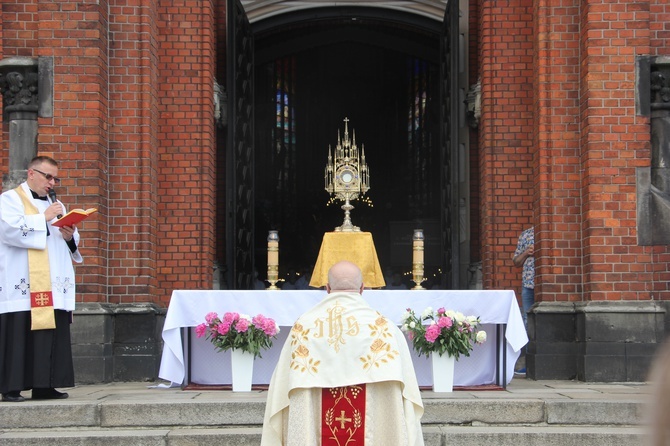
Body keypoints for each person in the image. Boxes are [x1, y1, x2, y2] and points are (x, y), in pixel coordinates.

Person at [261, 260, 424, 445]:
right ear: (362, 288)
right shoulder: (386, 329)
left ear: (328, 288)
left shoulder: (303, 327)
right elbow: (408, 396)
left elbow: (281, 389)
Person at [0, 156, 83, 402]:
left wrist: (69, 235)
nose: (52, 182)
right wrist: (44, 218)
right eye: (48, 176)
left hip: (53, 284)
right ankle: (11, 387)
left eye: (55, 178)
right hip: (23, 285)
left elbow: (70, 244)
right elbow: (9, 230)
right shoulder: (9, 200)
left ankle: (45, 385)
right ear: (31, 173)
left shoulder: (58, 204)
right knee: (19, 334)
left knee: (51, 334)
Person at [513, 227, 534, 326]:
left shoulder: (551, 232)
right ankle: (528, 341)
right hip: (528, 283)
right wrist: (526, 253)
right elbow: (516, 262)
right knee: (527, 317)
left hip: (548, 285)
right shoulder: (526, 234)